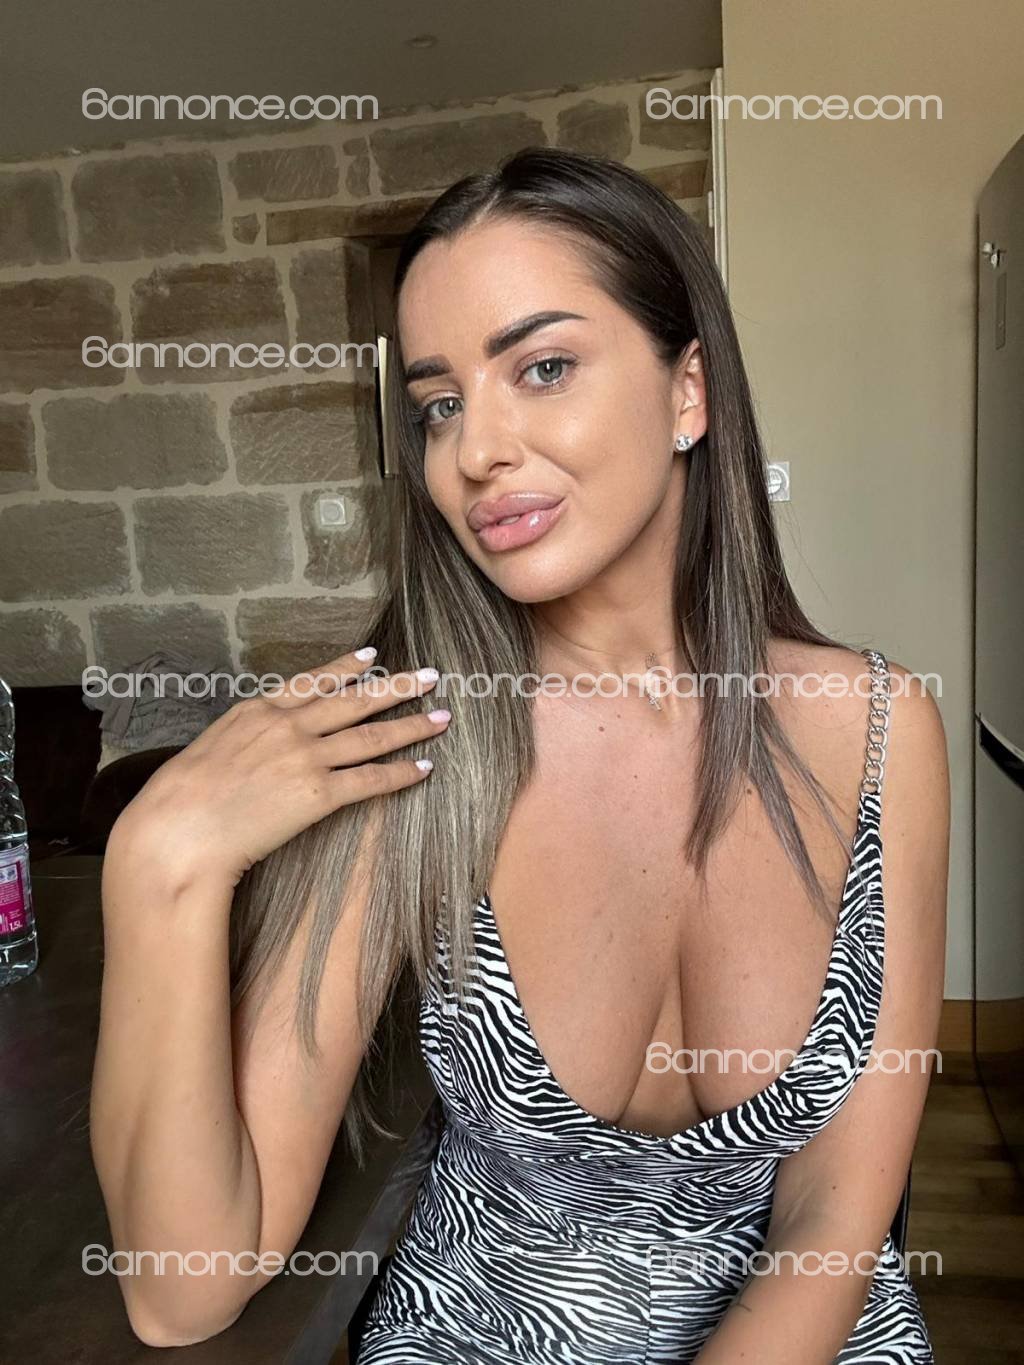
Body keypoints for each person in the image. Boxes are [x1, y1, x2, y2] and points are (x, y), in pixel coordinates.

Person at [90, 148, 949, 1364]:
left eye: (542, 368)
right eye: (439, 404)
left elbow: (836, 1214)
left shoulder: (879, 731)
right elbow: (181, 1294)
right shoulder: (403, 752)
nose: (474, 451)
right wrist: (159, 863)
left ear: (688, 391)